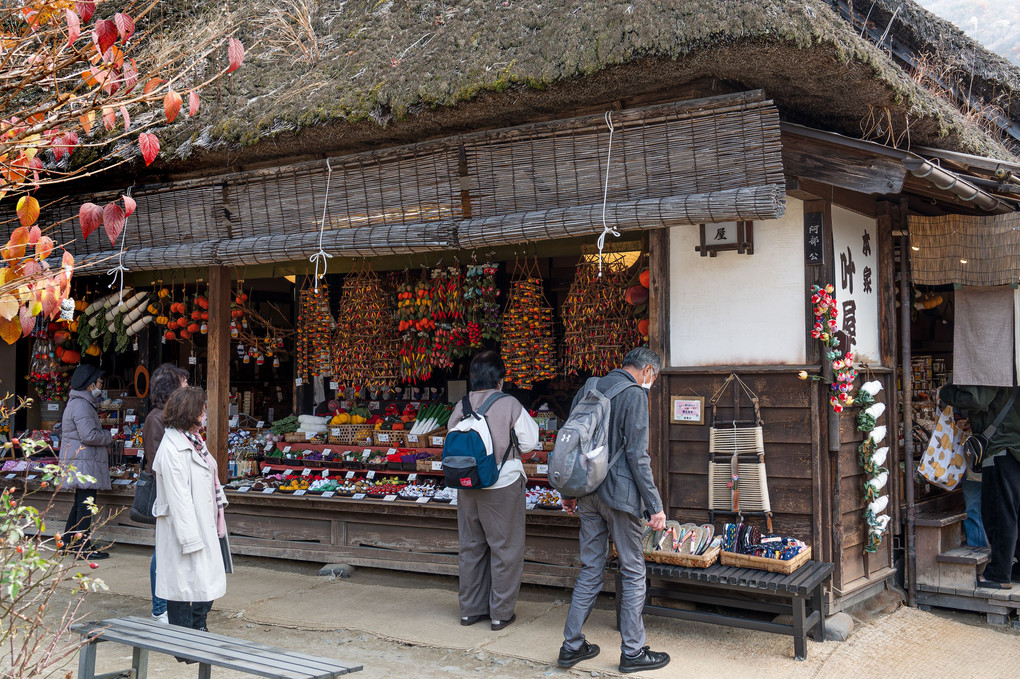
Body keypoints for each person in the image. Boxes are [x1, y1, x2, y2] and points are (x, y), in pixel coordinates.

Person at [558, 347, 670, 673]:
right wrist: (655, 507)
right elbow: (638, 455)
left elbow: (572, 442)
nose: (652, 382)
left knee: (591, 568)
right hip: (619, 496)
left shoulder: (591, 385)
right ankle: (633, 652)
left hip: (587, 492)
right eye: (655, 377)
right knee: (634, 571)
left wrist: (568, 491)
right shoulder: (635, 395)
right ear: (648, 370)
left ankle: (571, 644)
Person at [447, 350, 539, 631]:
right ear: (500, 379)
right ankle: (500, 613)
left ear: (473, 377)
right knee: (505, 549)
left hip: (467, 486)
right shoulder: (509, 404)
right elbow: (529, 443)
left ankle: (470, 611)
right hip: (503, 484)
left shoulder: (461, 405)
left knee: (471, 547)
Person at [153, 387, 228, 631]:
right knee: (183, 586)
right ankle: (185, 640)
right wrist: (190, 540)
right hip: (187, 527)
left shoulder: (194, 441)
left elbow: (210, 476)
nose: (205, 413)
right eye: (202, 409)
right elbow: (179, 499)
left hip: (203, 520)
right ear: (190, 413)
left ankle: (199, 627)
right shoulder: (172, 448)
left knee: (204, 583)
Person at [940, 384, 1020, 588]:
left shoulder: (991, 369)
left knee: (999, 514)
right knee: (1014, 512)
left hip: (1001, 447)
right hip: (1014, 447)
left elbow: (976, 399)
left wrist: (946, 391)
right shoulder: (1014, 366)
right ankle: (1015, 568)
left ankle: (999, 574)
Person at [142, 363, 189, 624]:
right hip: (165, 493)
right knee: (162, 549)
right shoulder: (155, 419)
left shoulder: (173, 418)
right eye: (183, 384)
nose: (187, 389)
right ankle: (159, 608)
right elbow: (156, 461)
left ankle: (170, 603)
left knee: (171, 549)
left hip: (178, 493)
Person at [58, 363, 112, 560]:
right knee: (86, 504)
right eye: (99, 382)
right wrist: (108, 436)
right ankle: (82, 546)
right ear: (90, 385)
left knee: (80, 503)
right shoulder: (81, 405)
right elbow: (89, 436)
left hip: (81, 461)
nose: (100, 385)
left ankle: (68, 543)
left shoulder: (78, 403)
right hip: (84, 462)